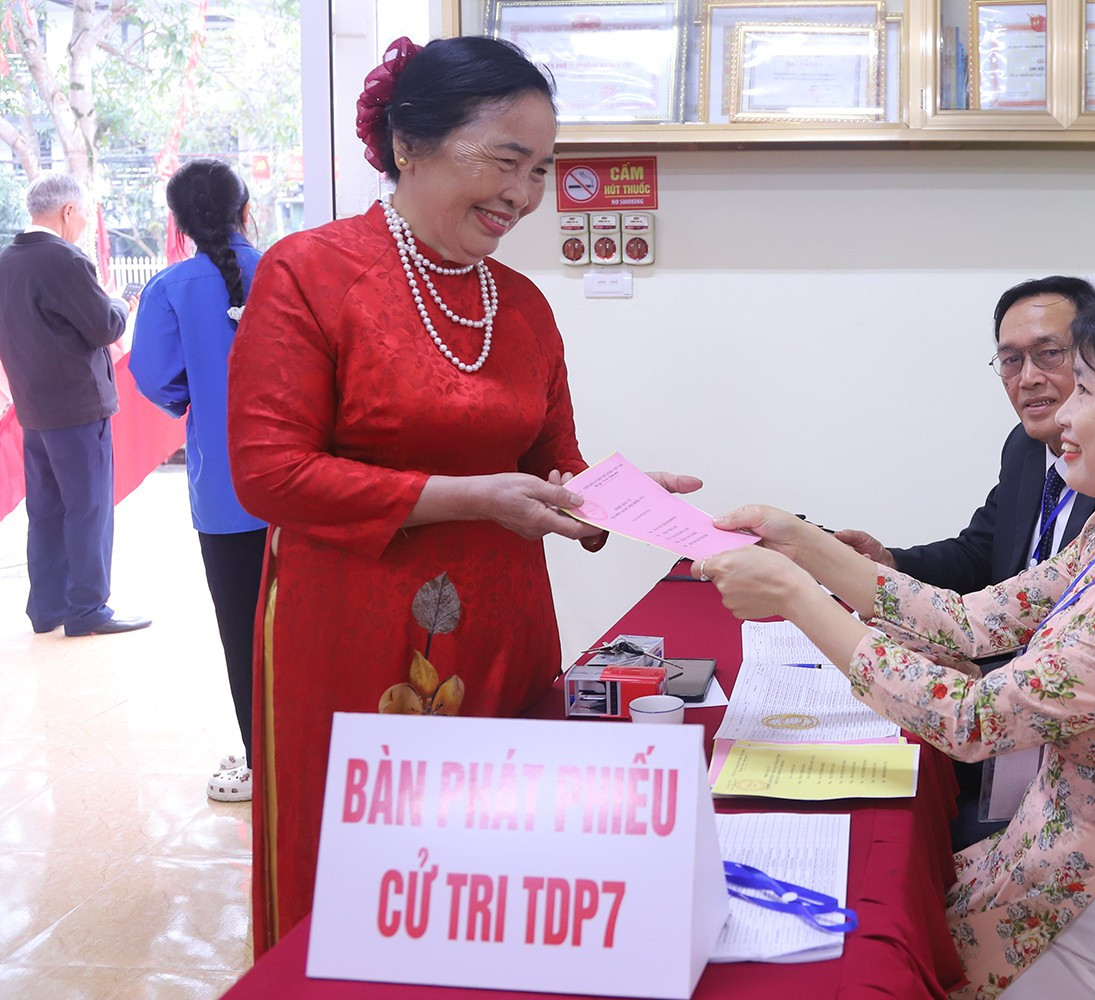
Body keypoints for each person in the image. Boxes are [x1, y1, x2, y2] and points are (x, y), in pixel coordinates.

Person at [225, 36, 698, 953]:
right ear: (409, 143)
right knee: (365, 882)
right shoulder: (310, 273)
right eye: (505, 161)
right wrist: (471, 498)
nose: (523, 194)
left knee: (492, 872)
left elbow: (555, 468)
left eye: (541, 170)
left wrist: (621, 499)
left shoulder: (520, 304)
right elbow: (268, 473)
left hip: (504, 624)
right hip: (355, 629)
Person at [695, 284, 1095, 999]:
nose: (1061, 413)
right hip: (1047, 858)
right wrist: (805, 543)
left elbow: (971, 721)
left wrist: (797, 599)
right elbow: (972, 620)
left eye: (1084, 388)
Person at [834, 276, 1095, 849]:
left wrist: (805, 597)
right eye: (1011, 360)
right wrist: (888, 562)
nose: (1028, 377)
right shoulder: (1027, 447)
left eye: (1049, 354)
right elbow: (983, 554)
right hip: (1010, 720)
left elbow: (1029, 641)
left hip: (1075, 763)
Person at [130, 160, 265, 803]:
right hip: (310, 487)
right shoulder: (289, 270)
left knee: (242, 630)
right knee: (311, 624)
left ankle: (262, 762)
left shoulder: (169, 288)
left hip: (227, 494)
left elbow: (156, 378)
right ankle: (318, 751)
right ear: (246, 209)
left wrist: (201, 392)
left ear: (178, 224)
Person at [0, 172, 150, 638]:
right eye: (83, 213)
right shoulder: (65, 259)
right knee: (88, 509)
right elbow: (104, 327)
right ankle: (88, 609)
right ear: (67, 211)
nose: (84, 223)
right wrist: (122, 304)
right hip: (78, 409)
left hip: (34, 409)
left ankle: (47, 608)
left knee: (45, 511)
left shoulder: (6, 260)